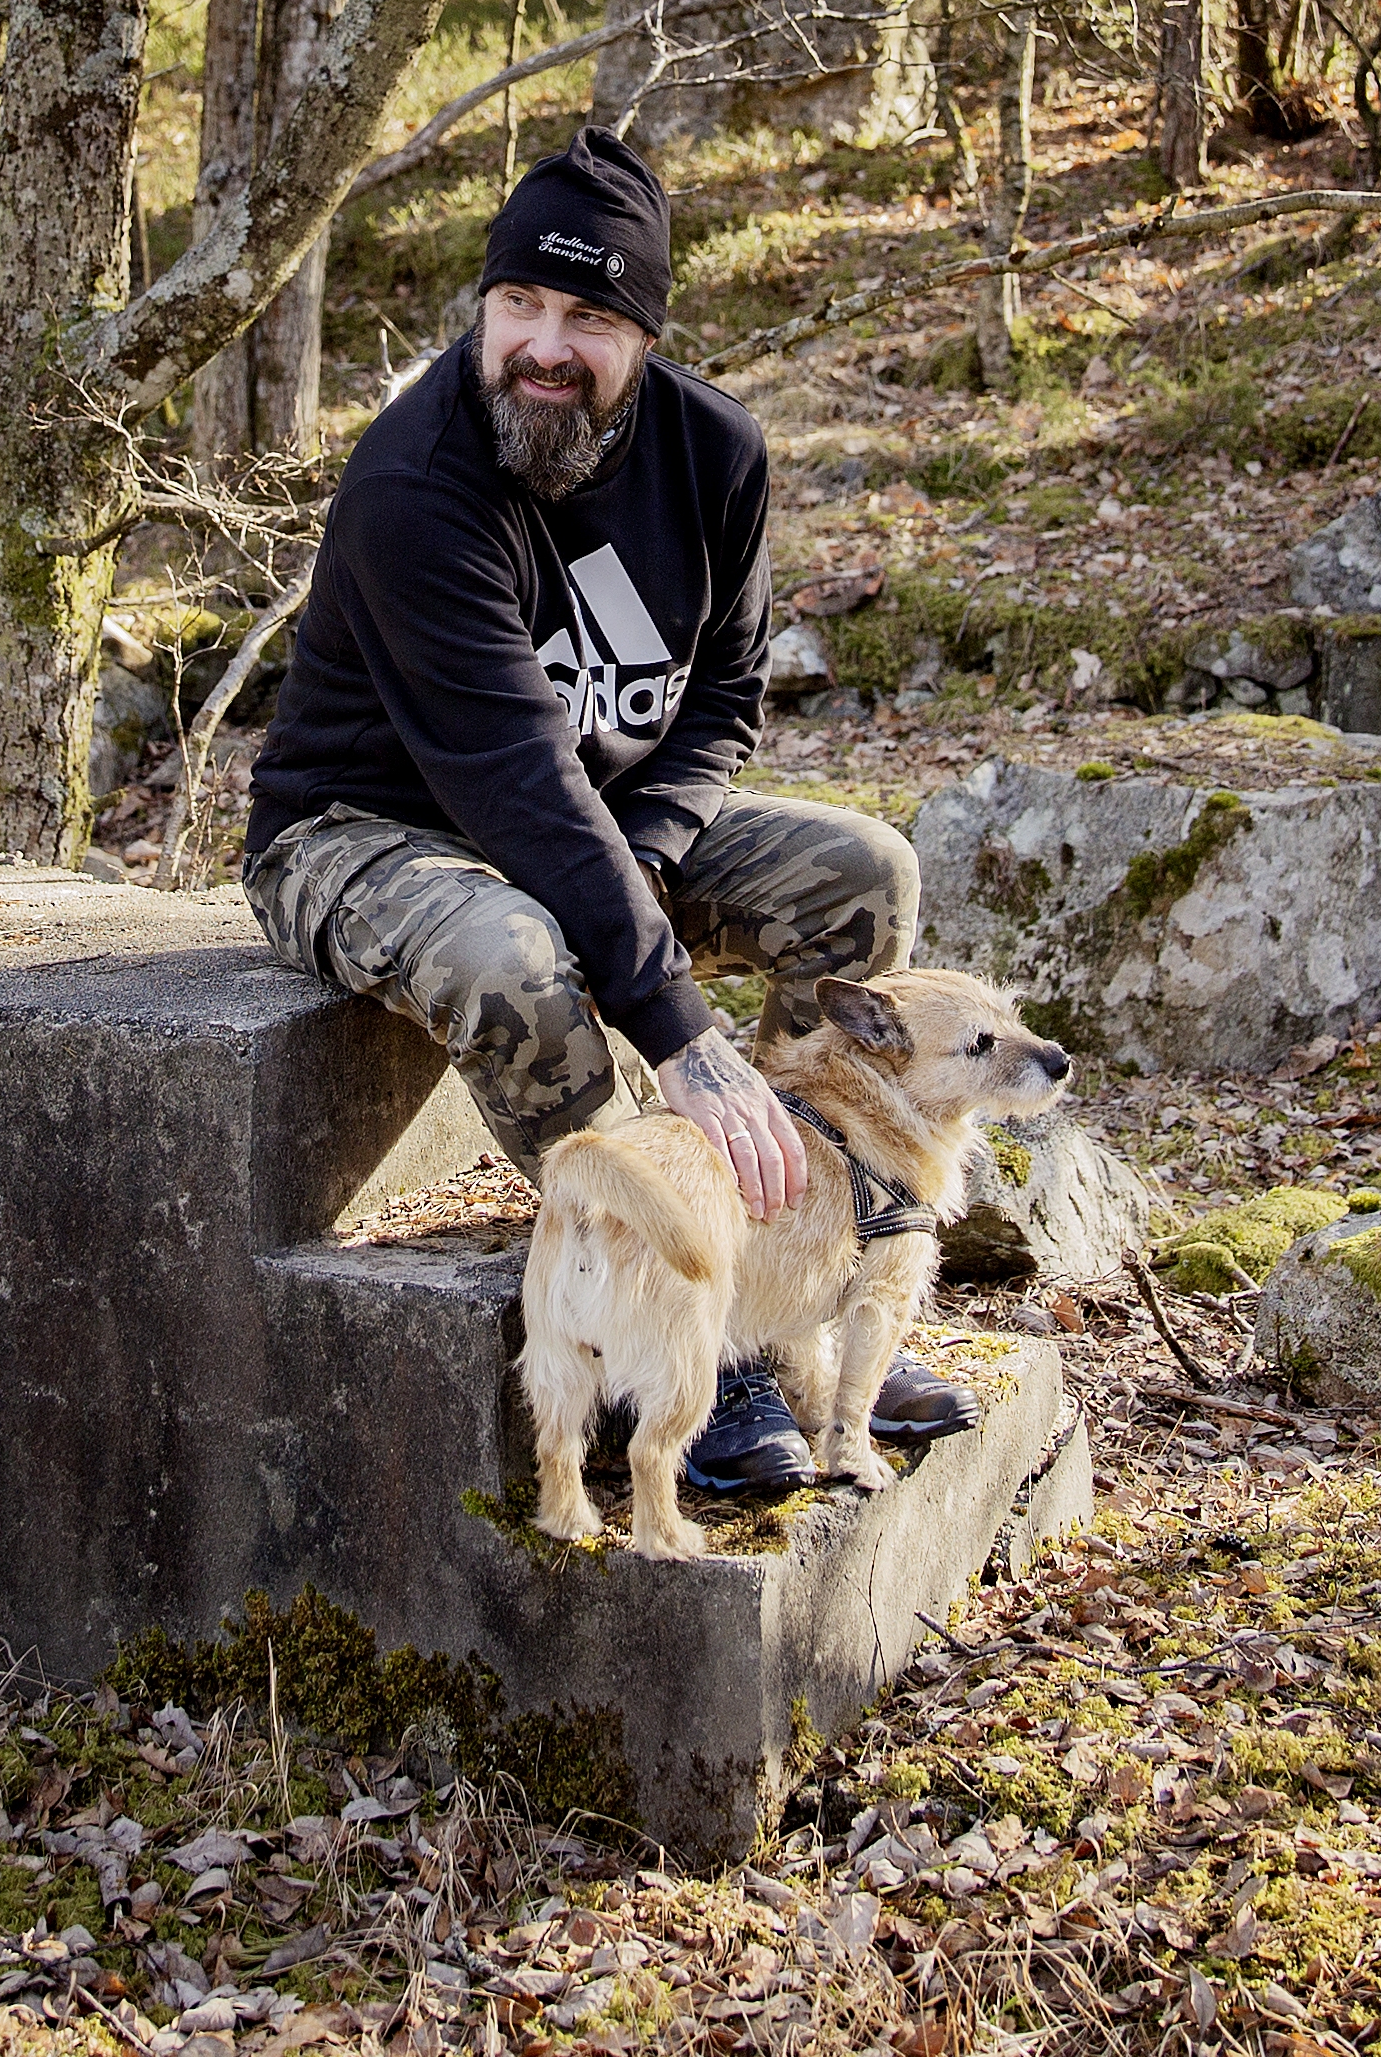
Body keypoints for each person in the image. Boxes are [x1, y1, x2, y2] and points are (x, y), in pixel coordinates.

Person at [243, 127, 968, 1496]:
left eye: (587, 315)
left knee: (860, 878)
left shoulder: (715, 457)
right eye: (518, 303)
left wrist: (643, 861)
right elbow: (513, 780)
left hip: (596, 818)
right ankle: (705, 1330)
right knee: (520, 954)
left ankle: (812, 1287)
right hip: (362, 831)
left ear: (643, 335)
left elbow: (723, 704)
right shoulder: (417, 483)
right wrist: (681, 1033)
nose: (542, 345)